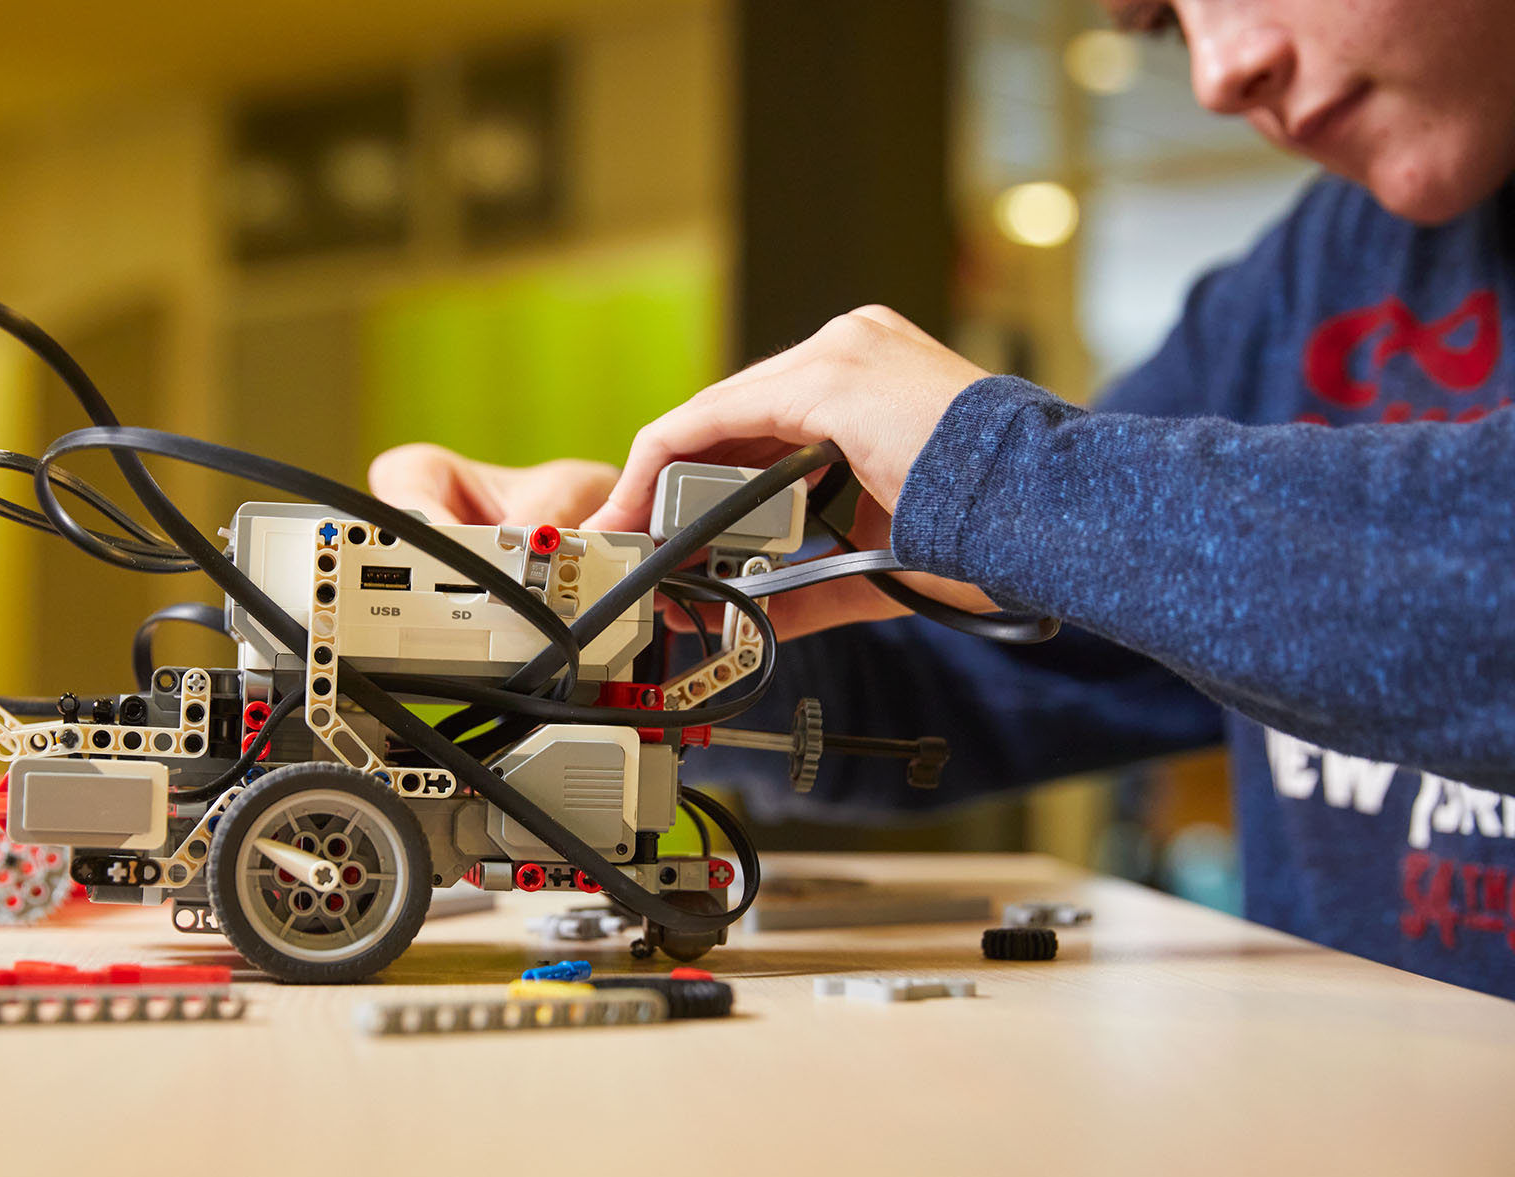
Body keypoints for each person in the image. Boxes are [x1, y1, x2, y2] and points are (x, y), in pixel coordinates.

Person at [368, 0, 1515, 1000]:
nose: (1220, 71)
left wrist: (1001, 472)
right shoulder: (1298, 291)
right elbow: (991, 670)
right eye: (1166, 17)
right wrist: (622, 617)